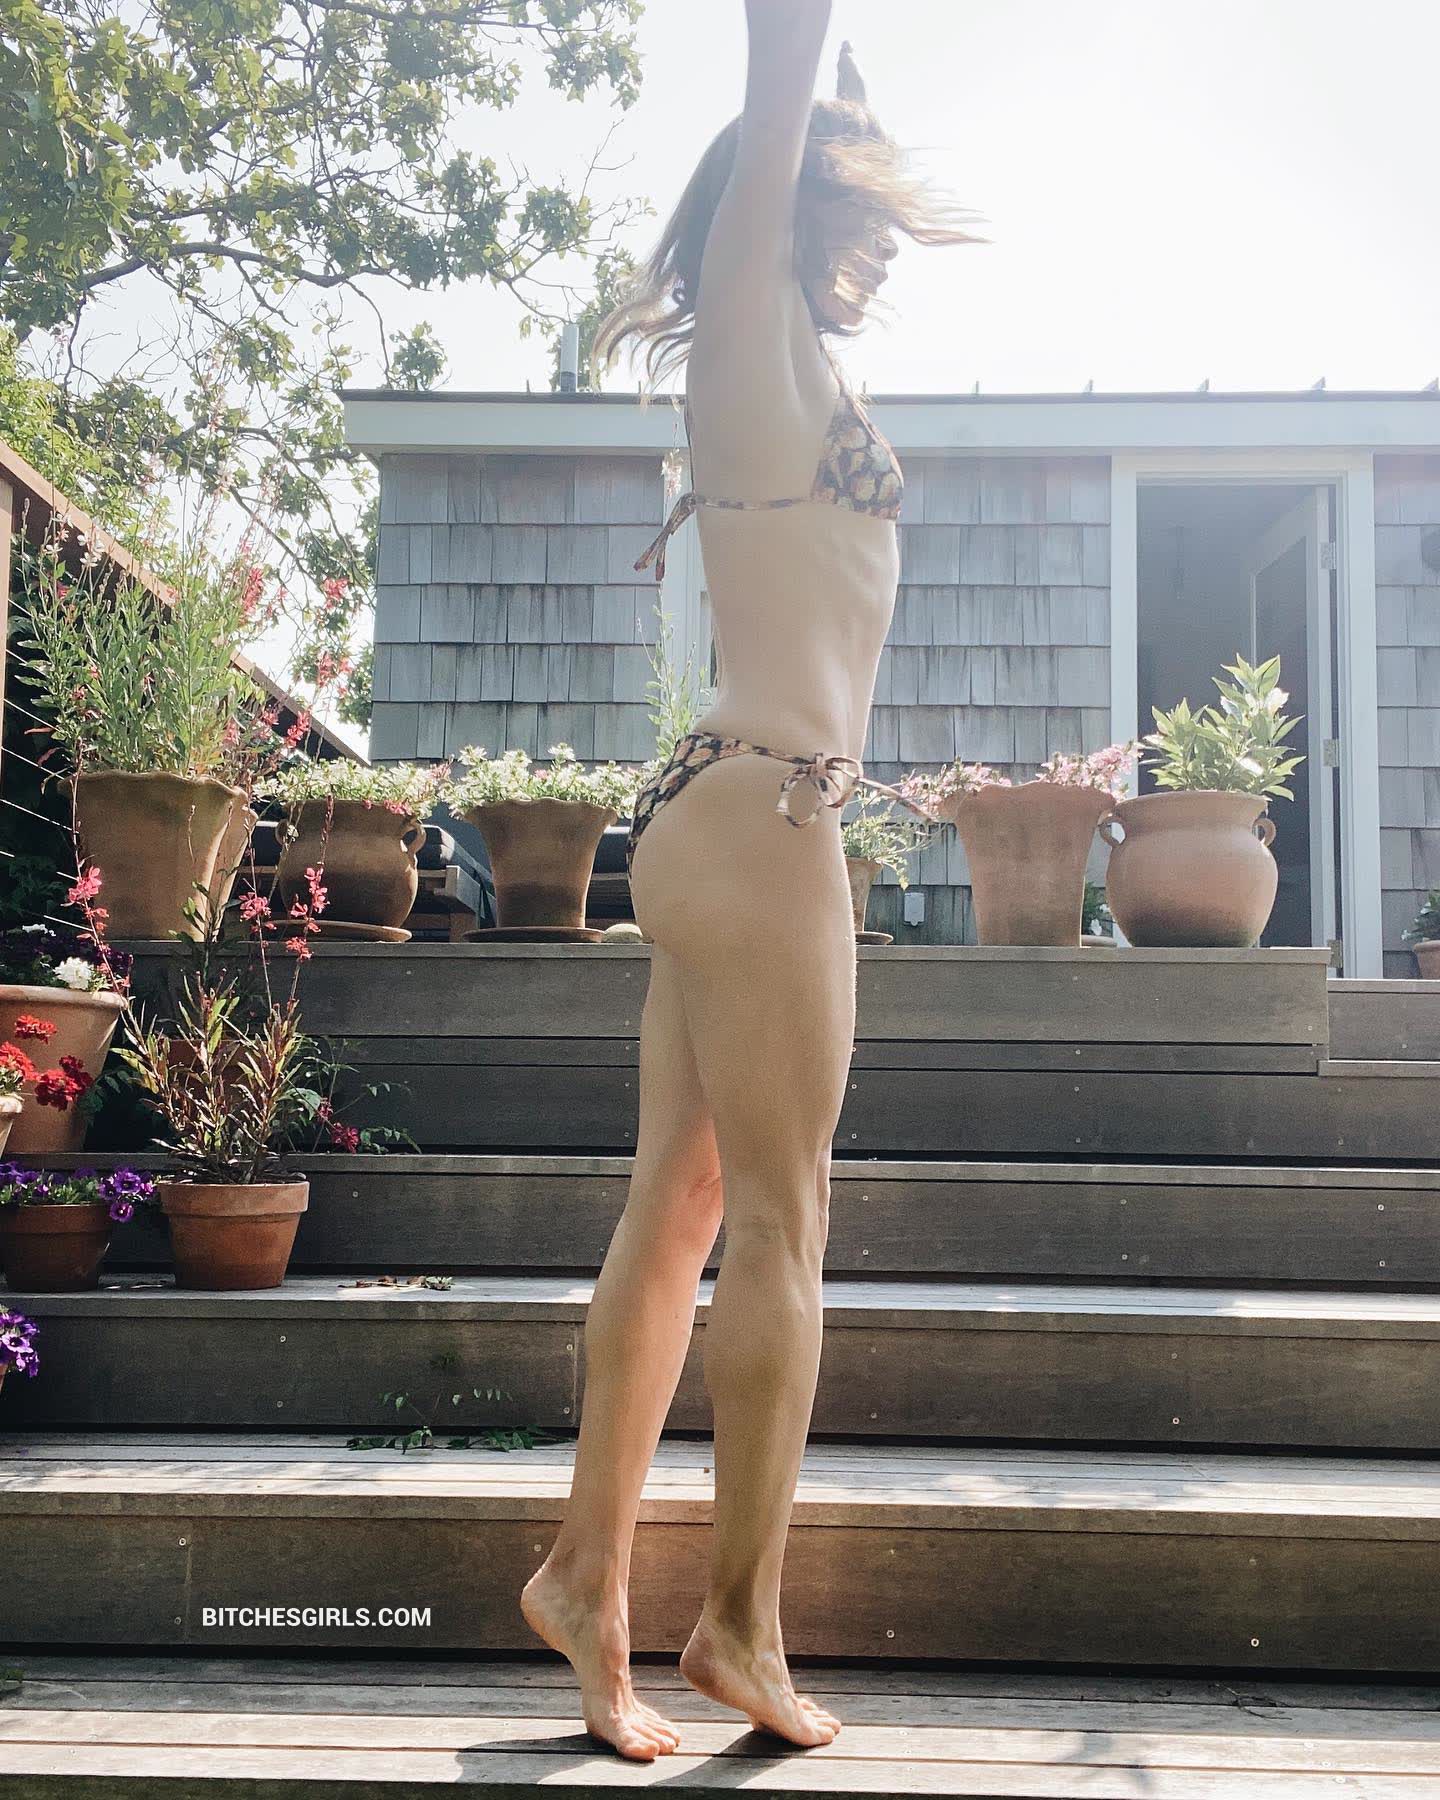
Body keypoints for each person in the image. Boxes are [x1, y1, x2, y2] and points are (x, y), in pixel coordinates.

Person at [521, 0, 973, 1761]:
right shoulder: (748, 322)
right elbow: (783, 70)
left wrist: (850, 89)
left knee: (685, 1210)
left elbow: (820, 89)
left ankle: (584, 1580)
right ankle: (738, 1624)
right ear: (790, 201)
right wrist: (807, 74)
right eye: (851, 198)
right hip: (765, 810)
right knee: (789, 1221)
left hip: (729, 806)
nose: (884, 237)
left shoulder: (784, 359)